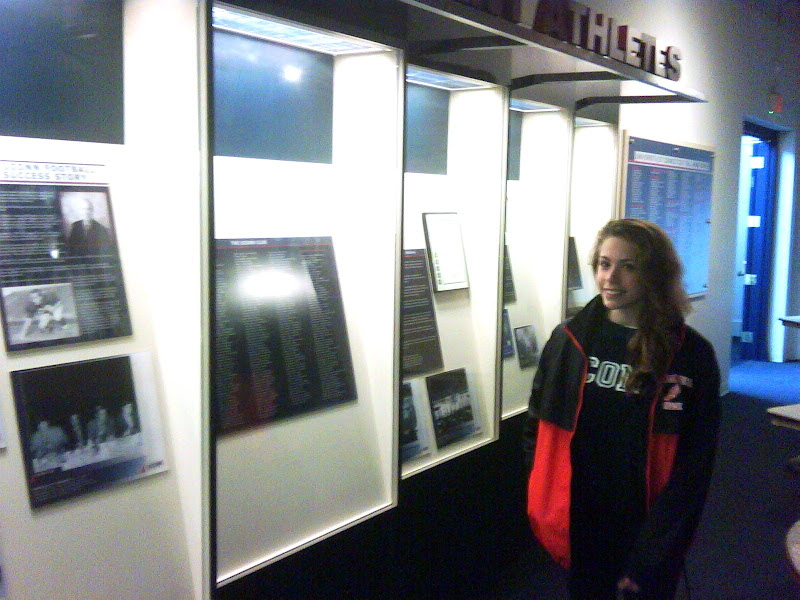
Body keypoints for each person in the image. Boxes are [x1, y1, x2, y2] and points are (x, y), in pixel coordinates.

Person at [523, 218, 720, 600]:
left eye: (628, 266)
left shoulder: (691, 355)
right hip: (580, 518)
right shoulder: (568, 341)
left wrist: (655, 555)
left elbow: (693, 467)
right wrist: (543, 499)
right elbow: (538, 426)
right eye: (604, 264)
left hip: (644, 526)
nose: (610, 278)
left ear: (654, 274)